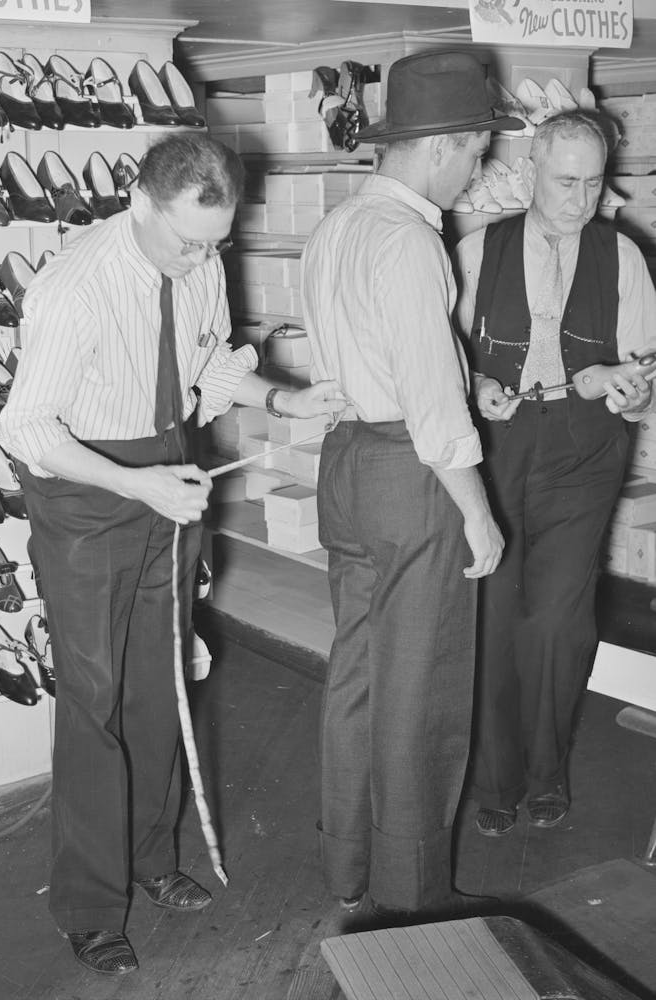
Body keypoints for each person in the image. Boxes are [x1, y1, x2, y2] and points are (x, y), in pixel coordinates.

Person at [0, 133, 346, 975]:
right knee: (94, 698)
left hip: (167, 476)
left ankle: (154, 861)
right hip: (85, 499)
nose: (202, 258)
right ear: (140, 201)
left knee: (161, 683)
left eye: (216, 242)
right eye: (189, 240)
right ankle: (88, 904)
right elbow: (26, 428)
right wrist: (137, 486)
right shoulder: (76, 285)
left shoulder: (198, 260)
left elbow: (209, 369)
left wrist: (285, 400)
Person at [300, 50, 520, 916]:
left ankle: (349, 867)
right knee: (421, 687)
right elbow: (430, 402)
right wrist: (479, 514)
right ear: (442, 146)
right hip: (411, 475)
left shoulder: (337, 227)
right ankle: (412, 891)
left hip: (348, 463)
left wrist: (467, 387)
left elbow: (381, 364)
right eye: (475, 153)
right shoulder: (411, 240)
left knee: (357, 671)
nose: (478, 171)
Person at [453, 109, 656, 839]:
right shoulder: (479, 250)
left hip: (584, 449)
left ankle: (547, 772)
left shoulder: (622, 256)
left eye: (593, 182)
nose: (578, 198)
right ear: (532, 168)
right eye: (565, 180)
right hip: (499, 443)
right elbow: (448, 352)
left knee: (558, 617)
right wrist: (475, 386)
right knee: (496, 612)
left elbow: (643, 368)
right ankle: (494, 781)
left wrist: (630, 386)